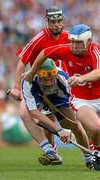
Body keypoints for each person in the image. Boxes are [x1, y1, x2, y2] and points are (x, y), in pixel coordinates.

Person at [23, 24, 100, 171]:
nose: (74, 46)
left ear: (88, 41)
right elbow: (44, 52)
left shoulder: (96, 51)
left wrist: (81, 79)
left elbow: (99, 73)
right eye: (72, 42)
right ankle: (98, 150)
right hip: (80, 99)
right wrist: (32, 71)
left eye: (78, 43)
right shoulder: (66, 50)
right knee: (95, 128)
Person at [9, 6, 68, 165]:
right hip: (37, 83)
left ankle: (92, 150)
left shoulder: (69, 38)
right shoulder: (38, 39)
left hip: (59, 82)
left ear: (63, 21)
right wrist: (15, 87)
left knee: (52, 116)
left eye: (59, 21)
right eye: (53, 21)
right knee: (24, 113)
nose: (56, 24)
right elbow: (21, 63)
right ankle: (48, 149)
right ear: (47, 22)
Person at [21, 58, 94, 169]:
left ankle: (89, 159)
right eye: (45, 77)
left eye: (52, 75)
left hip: (59, 99)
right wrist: (59, 130)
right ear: (37, 73)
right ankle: (49, 150)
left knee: (75, 126)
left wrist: (86, 126)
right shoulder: (28, 81)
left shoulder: (63, 78)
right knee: (25, 113)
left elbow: (76, 103)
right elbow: (35, 113)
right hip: (39, 98)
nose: (50, 81)